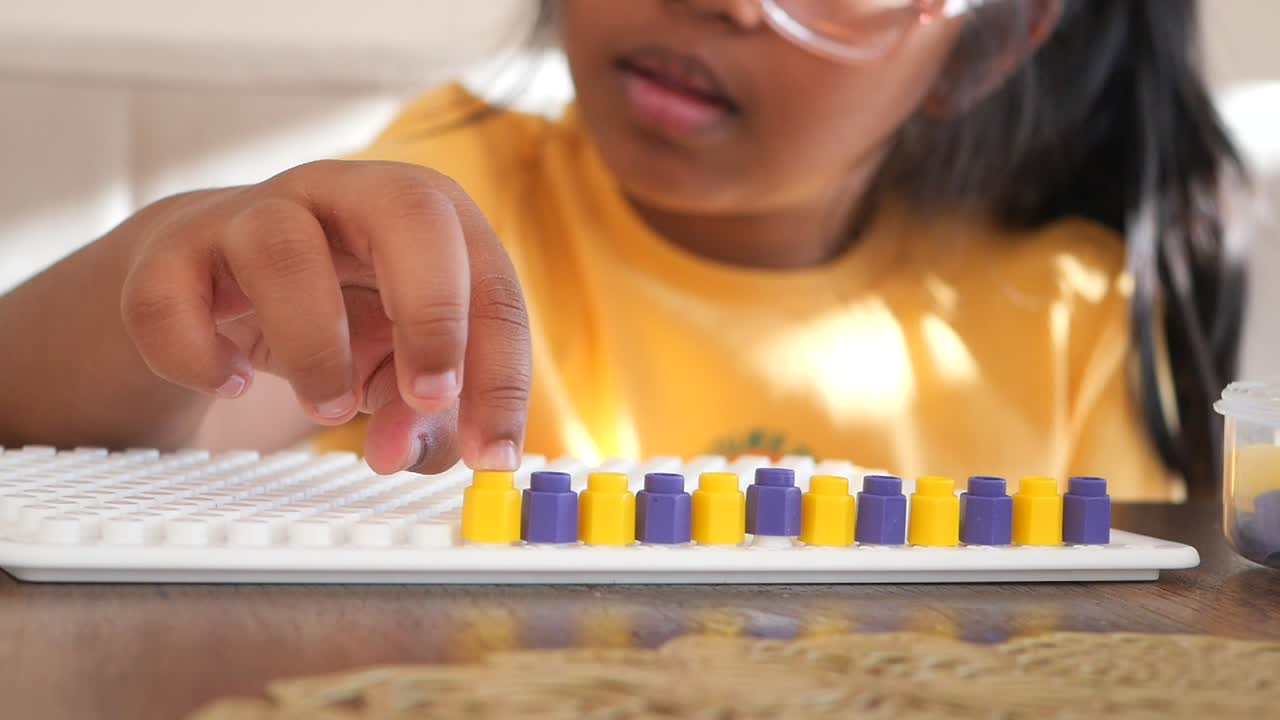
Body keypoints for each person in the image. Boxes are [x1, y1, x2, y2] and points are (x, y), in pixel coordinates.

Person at [0, 0, 1245, 500]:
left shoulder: (1066, 315)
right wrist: (162, 274)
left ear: (989, 39)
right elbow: (47, 433)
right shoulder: (448, 198)